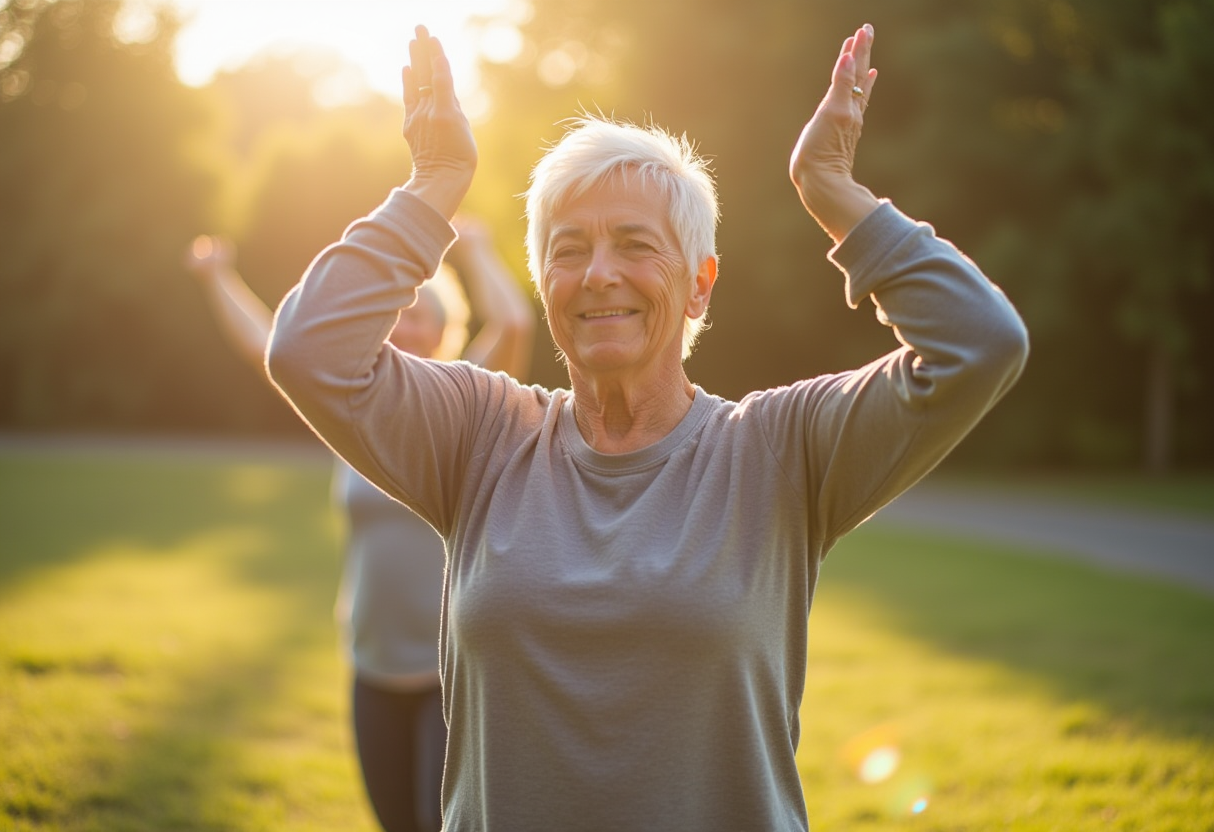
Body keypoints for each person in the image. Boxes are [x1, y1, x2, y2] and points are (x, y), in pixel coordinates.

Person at [266, 22, 1029, 831]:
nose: (599, 273)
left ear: (700, 284)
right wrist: (435, 183)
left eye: (635, 244)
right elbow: (309, 351)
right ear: (545, 283)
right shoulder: (481, 435)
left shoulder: (779, 450)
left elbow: (980, 345)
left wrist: (833, 192)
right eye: (569, 250)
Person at [184, 219, 535, 832]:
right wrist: (217, 277)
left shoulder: (468, 413)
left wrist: (479, 250)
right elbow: (268, 346)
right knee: (394, 821)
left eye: (419, 317)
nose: (405, 328)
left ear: (446, 332)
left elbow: (513, 324)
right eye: (395, 316)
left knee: (438, 820)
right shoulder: (355, 413)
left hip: (449, 673)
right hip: (370, 665)